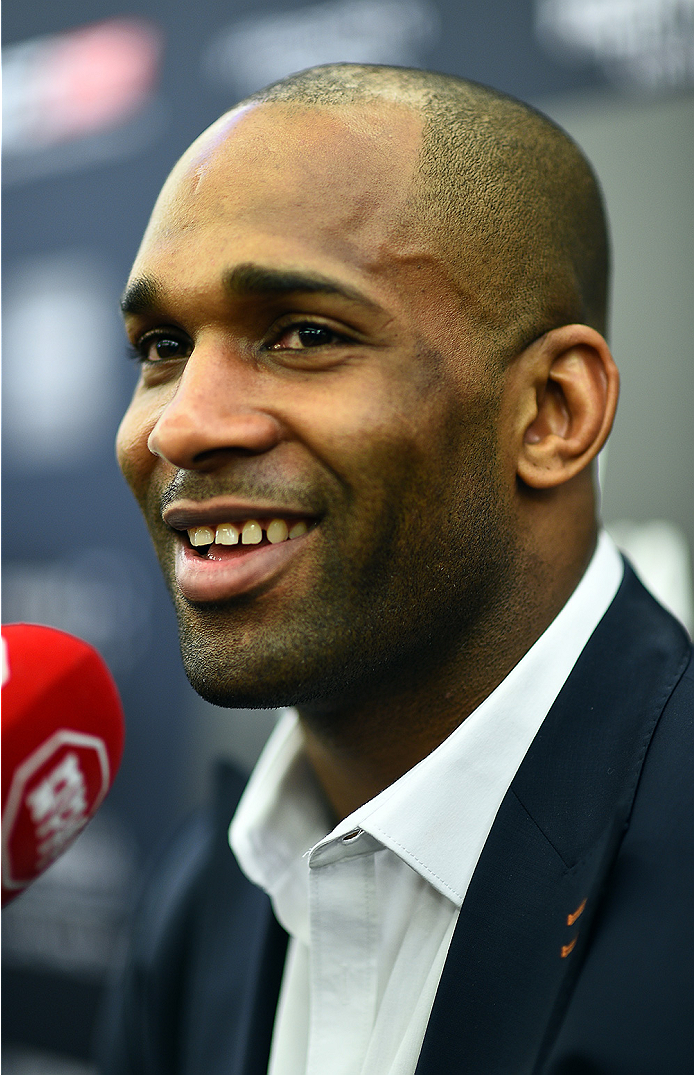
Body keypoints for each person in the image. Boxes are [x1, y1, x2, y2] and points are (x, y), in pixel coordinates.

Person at [102, 65, 693, 1074]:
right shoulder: (200, 896)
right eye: (161, 346)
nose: (181, 425)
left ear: (552, 412)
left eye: (304, 335)